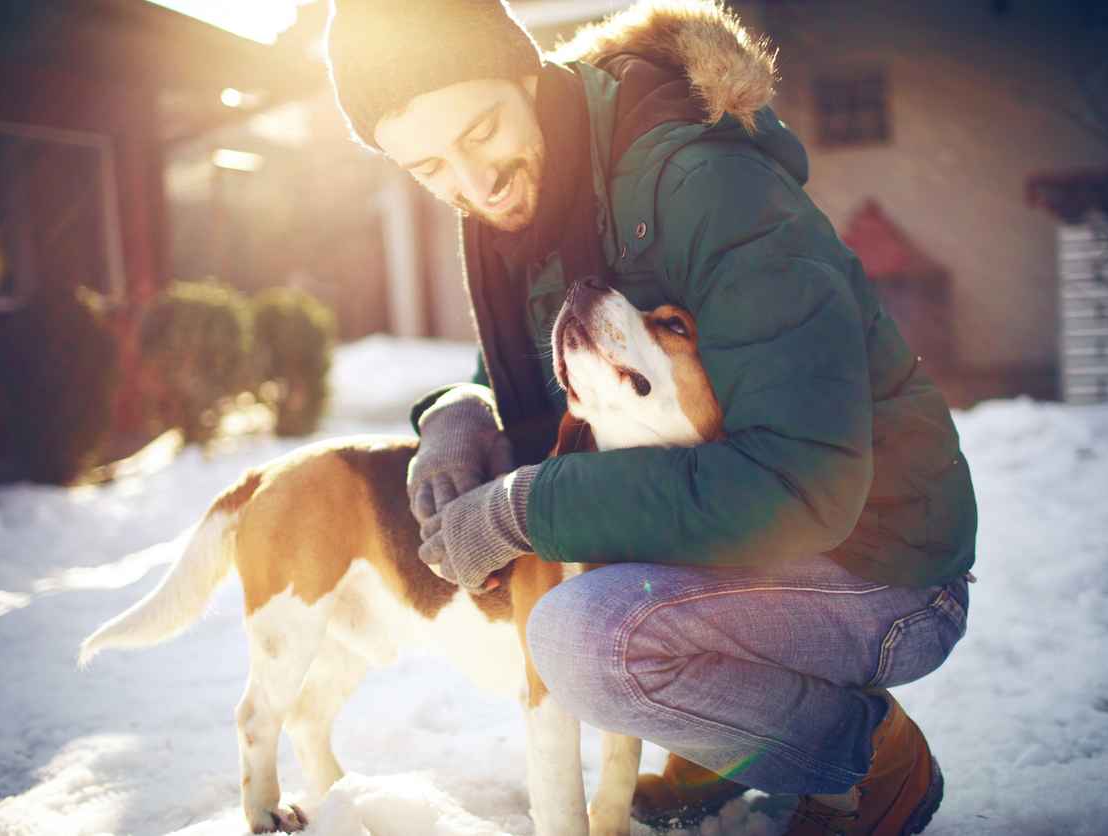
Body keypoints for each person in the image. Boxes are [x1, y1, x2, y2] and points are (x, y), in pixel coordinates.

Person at [325, 1, 977, 833]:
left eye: (482, 130)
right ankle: (720, 738)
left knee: (590, 640)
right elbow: (538, 351)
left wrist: (528, 508)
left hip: (882, 562)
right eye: (429, 168)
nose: (473, 183)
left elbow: (801, 485)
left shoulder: (711, 189)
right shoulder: (542, 195)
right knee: (594, 577)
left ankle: (868, 753)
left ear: (527, 71)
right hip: (749, 547)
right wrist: (460, 411)